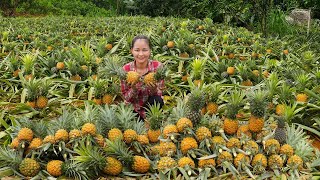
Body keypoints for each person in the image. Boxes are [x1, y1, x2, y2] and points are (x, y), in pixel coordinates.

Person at [121, 35, 164, 120]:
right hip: (133, 109)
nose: (141, 54)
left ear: (150, 51)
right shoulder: (126, 69)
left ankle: (152, 120)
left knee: (157, 99)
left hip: (150, 107)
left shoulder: (158, 67)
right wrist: (134, 89)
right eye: (137, 50)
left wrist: (154, 89)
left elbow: (159, 94)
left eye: (145, 50)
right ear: (132, 51)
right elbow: (126, 97)